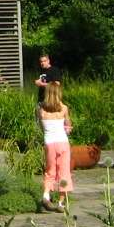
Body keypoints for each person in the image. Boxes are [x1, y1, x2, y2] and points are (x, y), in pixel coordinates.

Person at [38, 81, 73, 212]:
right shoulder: (64, 108)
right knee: (64, 172)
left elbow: (42, 127)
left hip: (49, 143)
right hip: (62, 142)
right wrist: (67, 128)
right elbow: (68, 126)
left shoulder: (41, 110)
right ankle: (61, 203)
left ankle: (46, 196)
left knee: (50, 171)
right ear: (59, 93)